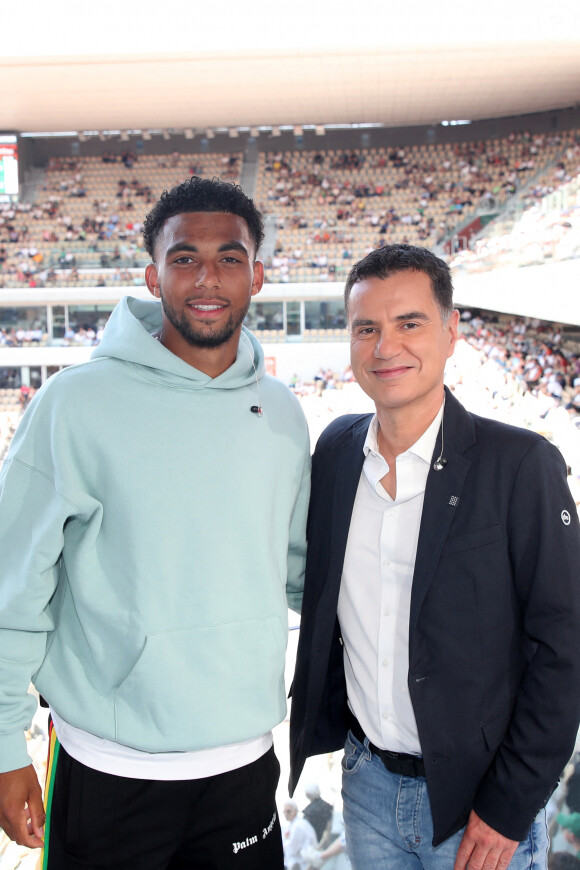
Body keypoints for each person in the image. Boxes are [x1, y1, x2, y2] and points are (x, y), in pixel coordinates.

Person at [0, 176, 310, 869]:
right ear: (152, 273)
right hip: (108, 768)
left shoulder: (284, 412)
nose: (208, 277)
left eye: (230, 258)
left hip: (243, 765)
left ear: (257, 275)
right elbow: (12, 588)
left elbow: (300, 573)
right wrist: (2, 743)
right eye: (184, 258)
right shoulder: (73, 405)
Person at [289, 243, 580, 870]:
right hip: (365, 784)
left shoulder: (521, 465)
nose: (385, 346)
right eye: (366, 328)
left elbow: (566, 647)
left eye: (409, 323)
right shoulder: (336, 451)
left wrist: (509, 803)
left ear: (451, 332)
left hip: (477, 801)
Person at [282, 799, 318, 870]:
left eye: (288, 811)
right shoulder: (294, 824)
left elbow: (292, 849)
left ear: (295, 812)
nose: (286, 814)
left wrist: (286, 841)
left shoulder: (297, 826)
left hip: (302, 863)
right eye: (284, 811)